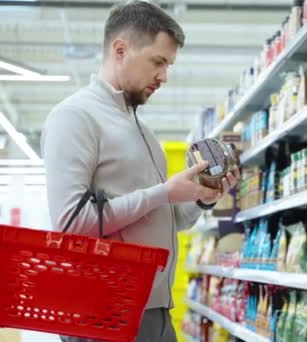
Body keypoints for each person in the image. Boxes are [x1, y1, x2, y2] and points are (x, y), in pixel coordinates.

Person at [40, 1, 239, 341]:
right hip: (104, 314)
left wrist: (201, 198)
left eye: (169, 65)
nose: (164, 76)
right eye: (158, 62)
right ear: (120, 49)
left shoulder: (143, 132)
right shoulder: (75, 116)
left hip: (155, 311)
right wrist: (163, 192)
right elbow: (71, 224)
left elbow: (166, 219)